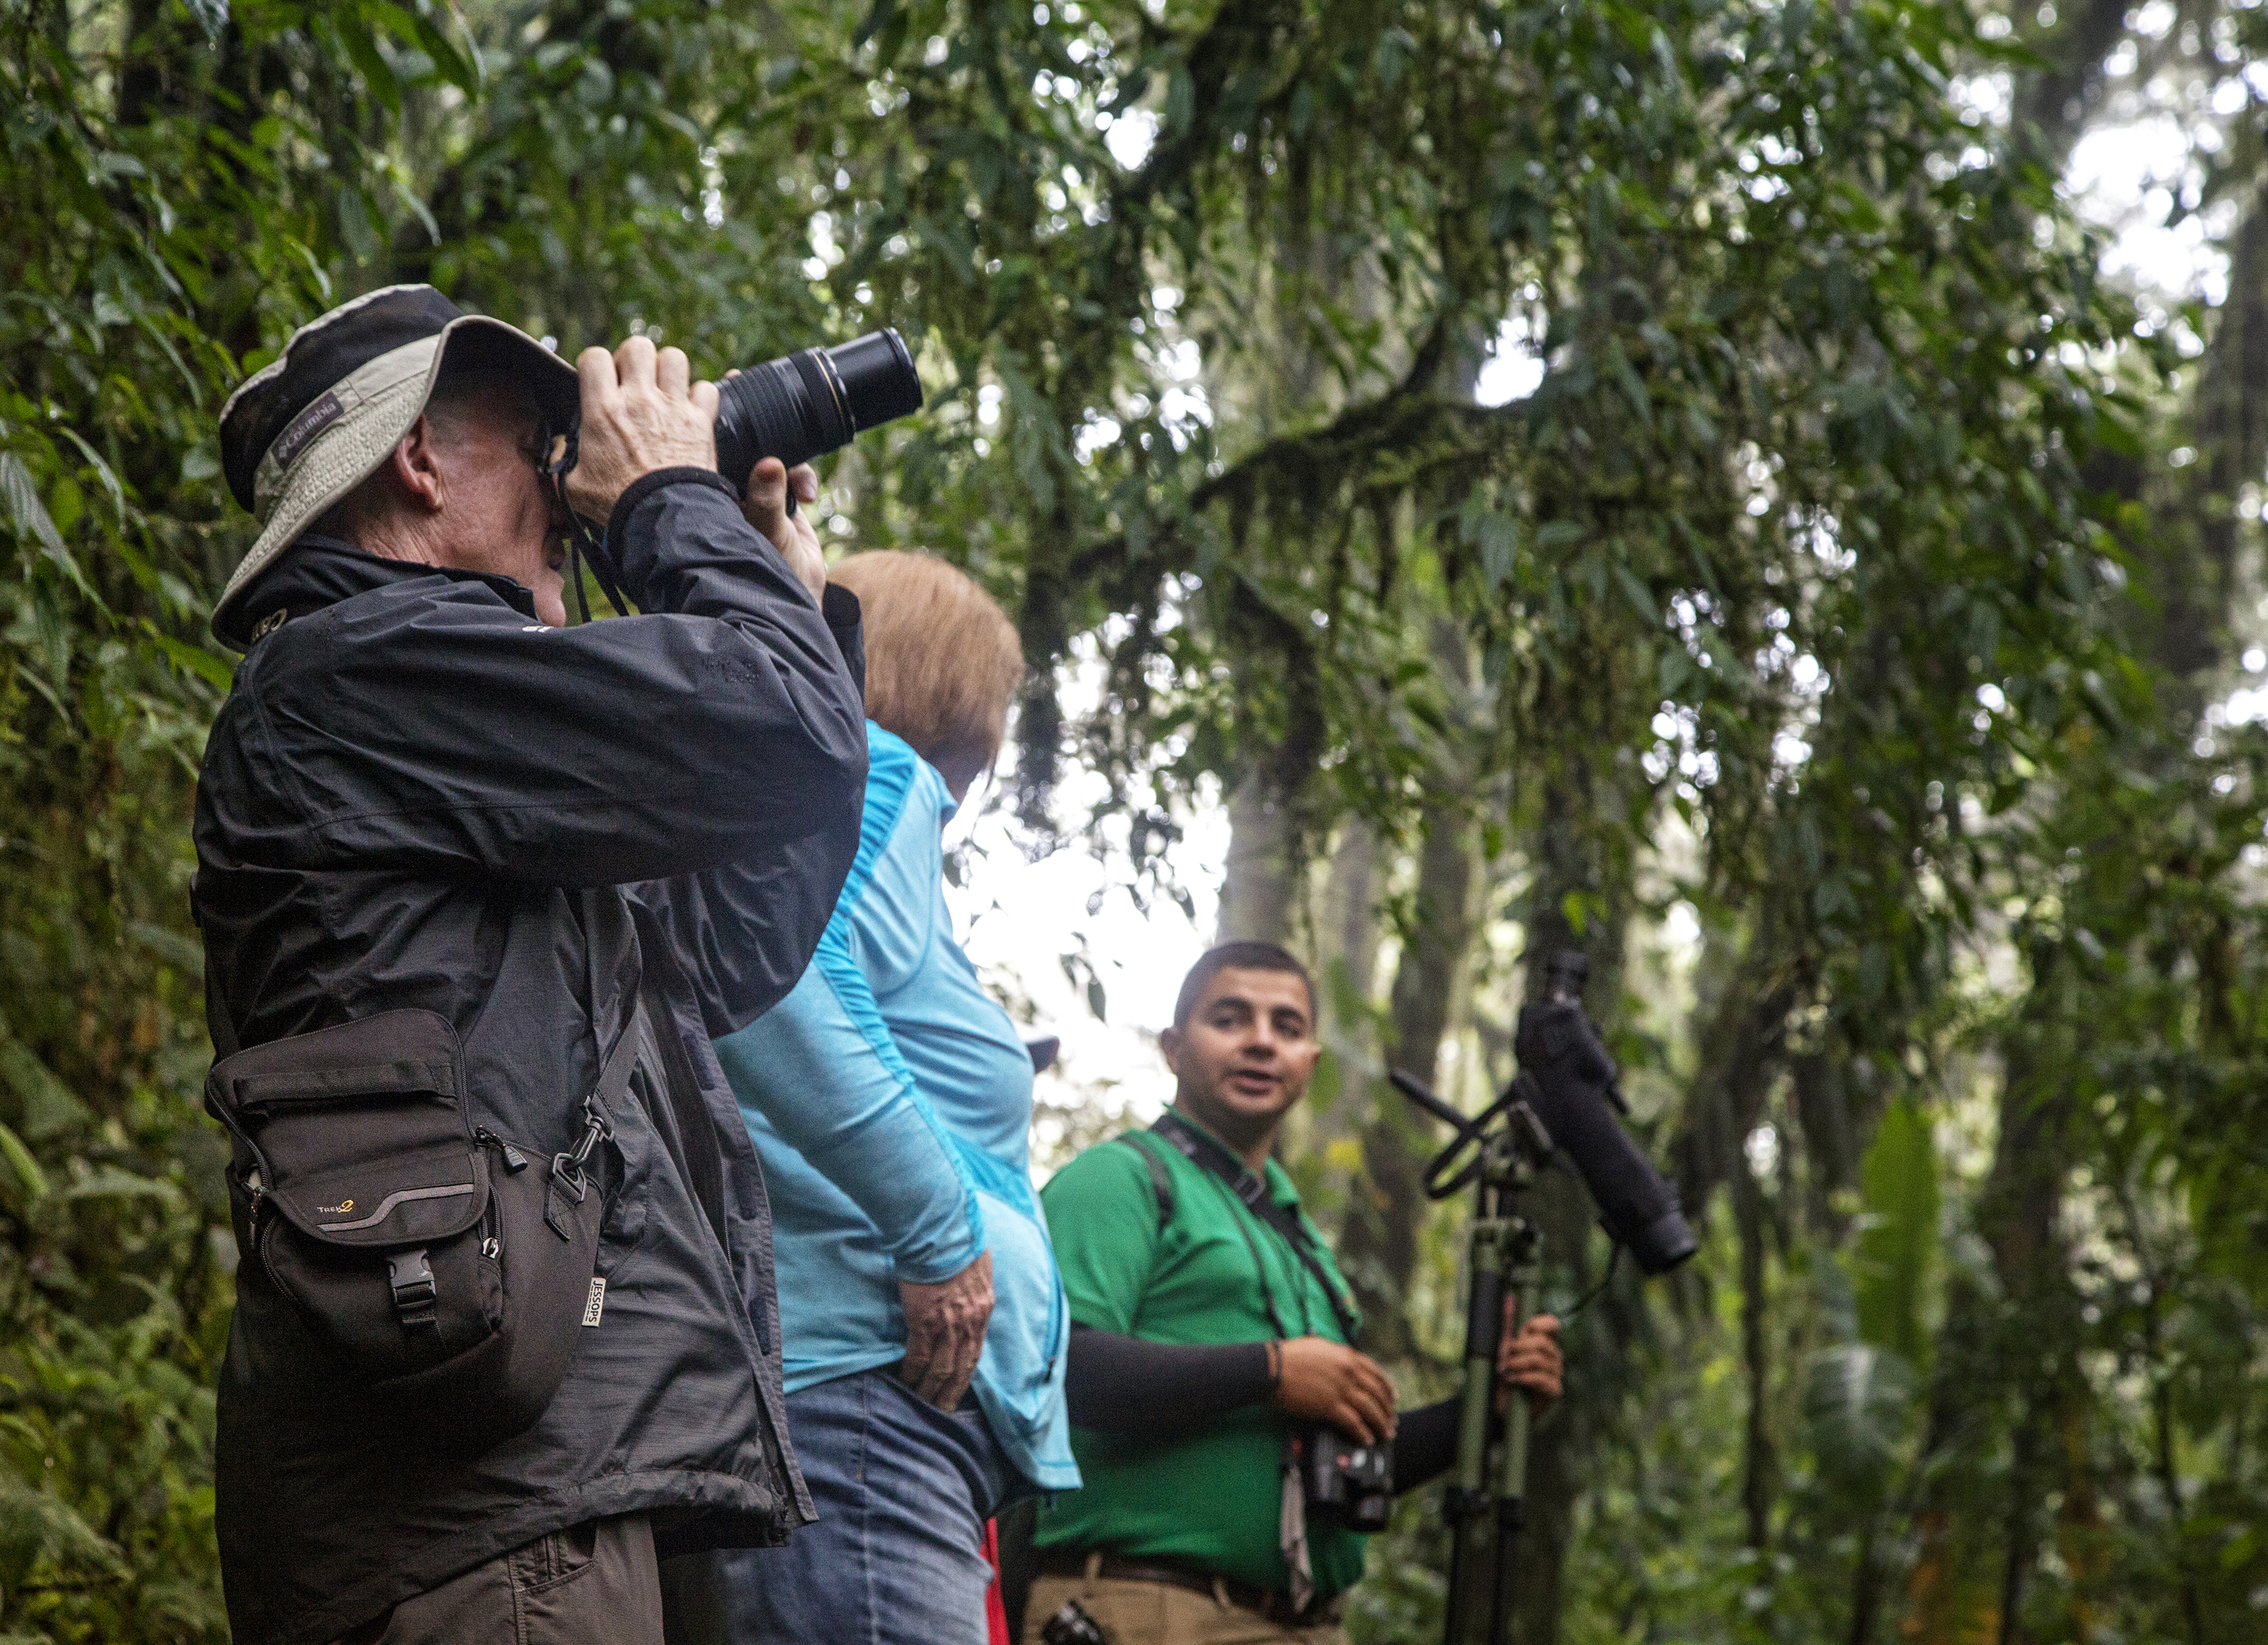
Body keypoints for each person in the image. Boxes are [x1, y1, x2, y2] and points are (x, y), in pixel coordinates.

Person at [191, 283, 870, 1645]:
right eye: (540, 439)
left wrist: (780, 595)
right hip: (476, 1529)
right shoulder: (359, 670)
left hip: (550, 1491)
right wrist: (671, 503)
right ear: (421, 458)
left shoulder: (452, 727)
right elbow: (780, 733)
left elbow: (731, 939)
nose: (578, 479)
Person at [703, 551, 1079, 1644]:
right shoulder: (875, 774)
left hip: (858, 1412)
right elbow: (777, 973)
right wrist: (938, 1233)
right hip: (862, 1406)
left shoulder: (832, 797)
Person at [1026, 941, 1566, 1644]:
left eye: (1286, 1026)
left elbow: (1345, 1466)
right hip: (1146, 1608)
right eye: (1230, 1018)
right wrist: (1272, 1371)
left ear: (1311, 1060)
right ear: (1174, 1046)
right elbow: (1061, 1370)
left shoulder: (1300, 1242)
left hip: (1302, 1622)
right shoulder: (1122, 1180)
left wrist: (1486, 1410)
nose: (1260, 1042)